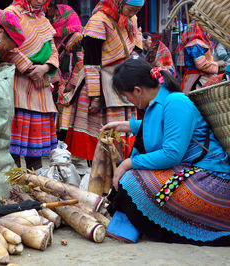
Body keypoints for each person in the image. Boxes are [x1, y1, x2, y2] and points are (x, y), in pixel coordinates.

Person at [103, 58, 230, 245]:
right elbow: (155, 126)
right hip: (190, 170)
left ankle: (163, 225)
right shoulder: (159, 102)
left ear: (137, 91)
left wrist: (128, 163)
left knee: (132, 182)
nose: (128, 100)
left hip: (211, 178)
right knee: (131, 182)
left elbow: (171, 154)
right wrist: (124, 125)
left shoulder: (175, 102)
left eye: (126, 96)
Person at [65, 0, 144, 161]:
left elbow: (135, 48)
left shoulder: (131, 20)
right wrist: (95, 96)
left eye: (137, 11)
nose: (133, 14)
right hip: (99, 82)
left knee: (124, 139)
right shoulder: (98, 21)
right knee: (98, 141)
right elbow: (91, 62)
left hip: (122, 80)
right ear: (119, 3)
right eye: (131, 9)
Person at [5, 0, 60, 170]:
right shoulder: (11, 14)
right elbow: (6, 46)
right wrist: (30, 69)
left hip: (40, 89)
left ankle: (36, 185)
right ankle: (14, 186)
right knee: (12, 148)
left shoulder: (44, 20)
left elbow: (53, 50)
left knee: (36, 150)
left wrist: (44, 68)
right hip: (17, 84)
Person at [48, 3, 84, 141]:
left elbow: (81, 62)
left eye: (58, 16)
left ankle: (66, 145)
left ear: (67, 18)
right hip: (61, 81)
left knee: (67, 114)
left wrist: (71, 83)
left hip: (70, 83)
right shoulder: (57, 36)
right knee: (60, 113)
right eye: (54, 16)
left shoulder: (77, 37)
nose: (55, 20)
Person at [177, 21, 227, 94]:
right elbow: (202, 65)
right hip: (197, 80)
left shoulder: (194, 43)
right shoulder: (196, 43)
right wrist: (218, 64)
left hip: (193, 78)